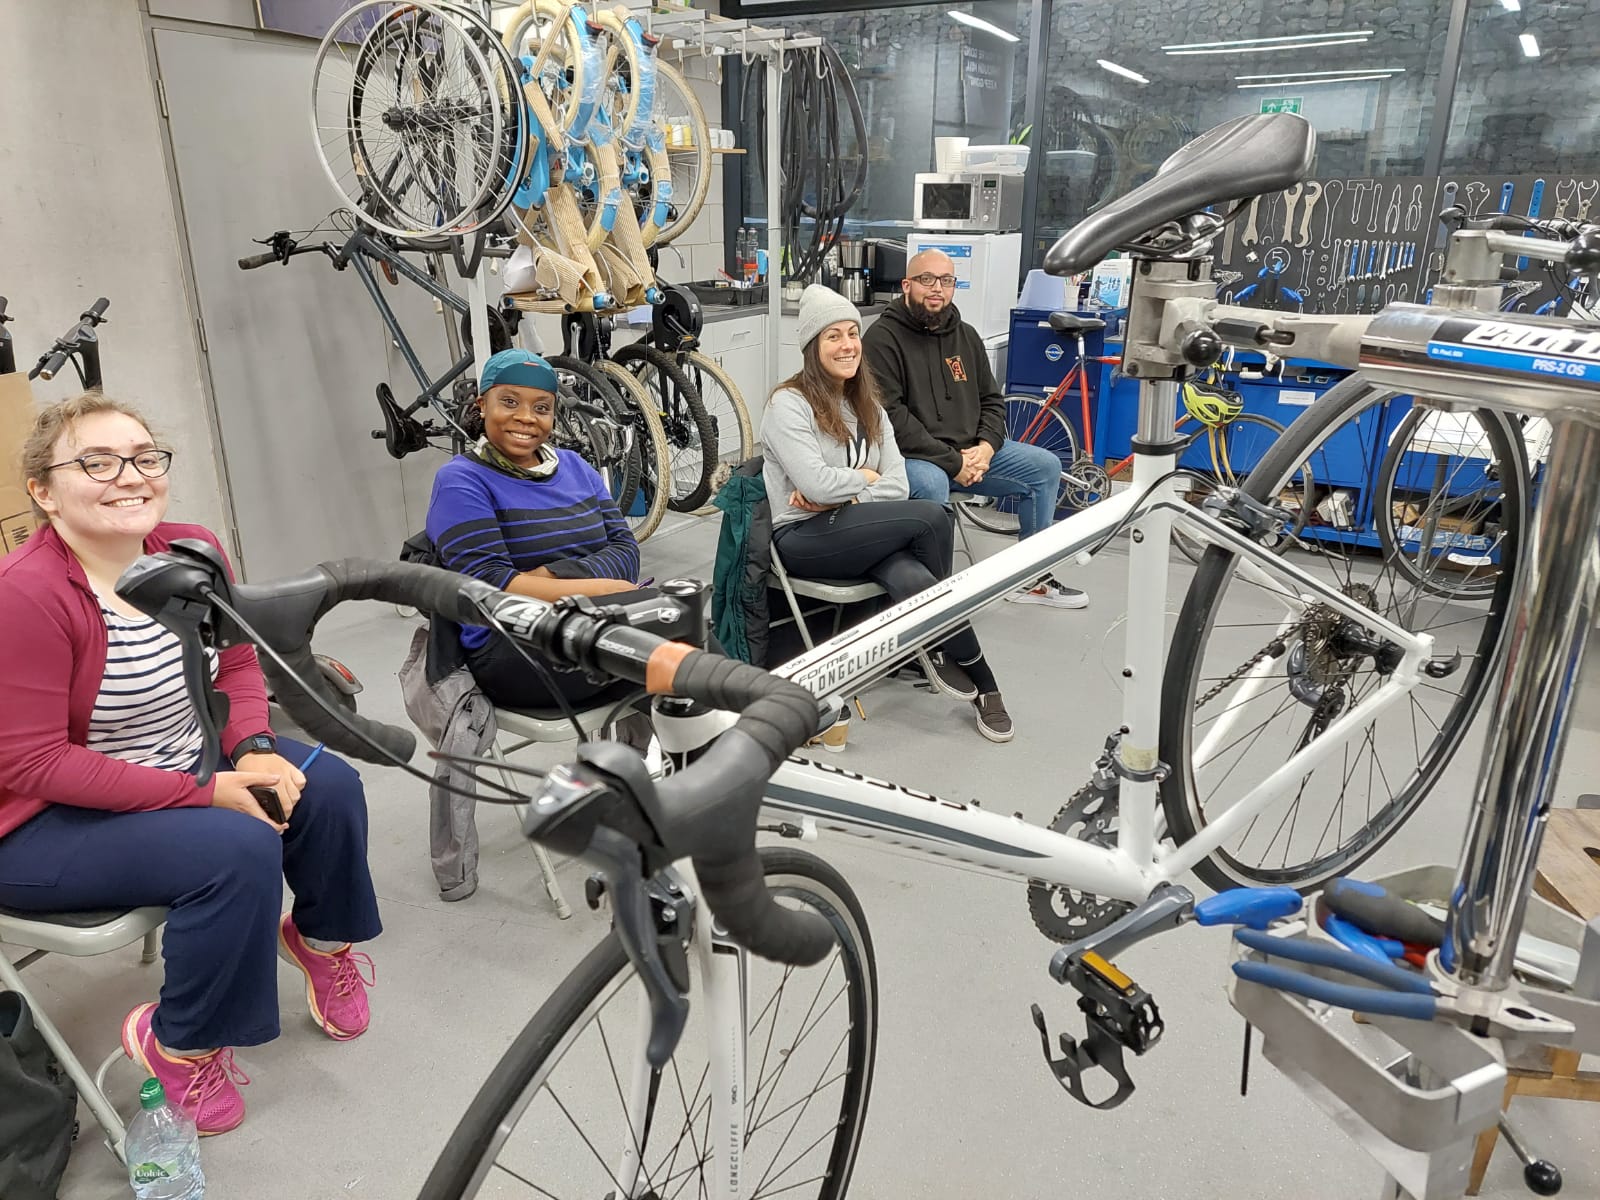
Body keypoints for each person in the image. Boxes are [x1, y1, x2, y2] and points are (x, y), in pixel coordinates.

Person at [0, 393, 381, 1137]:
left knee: (327, 788)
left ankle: (321, 942)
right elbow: (35, 764)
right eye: (96, 462)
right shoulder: (26, 595)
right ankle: (180, 1042)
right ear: (43, 491)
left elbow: (237, 661)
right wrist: (207, 792)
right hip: (43, 820)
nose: (130, 476)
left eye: (145, 457)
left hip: (182, 761)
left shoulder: (188, 550)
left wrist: (255, 751)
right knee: (236, 846)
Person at [763, 285, 1015, 743]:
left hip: (854, 527)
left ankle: (984, 685)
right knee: (932, 517)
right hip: (803, 537)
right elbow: (818, 485)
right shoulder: (789, 405)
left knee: (910, 575)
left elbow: (896, 482)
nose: (847, 345)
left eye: (852, 334)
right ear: (811, 347)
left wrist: (850, 494)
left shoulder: (869, 406)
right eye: (832, 336)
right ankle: (936, 642)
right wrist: (866, 479)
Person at [425, 349, 652, 717]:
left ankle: (704, 765)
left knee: (688, 637)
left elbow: (627, 551)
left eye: (542, 408)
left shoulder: (576, 467)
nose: (526, 418)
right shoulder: (461, 481)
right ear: (483, 405)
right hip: (511, 647)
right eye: (510, 402)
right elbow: (490, 589)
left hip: (594, 621)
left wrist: (546, 577)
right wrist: (604, 588)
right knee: (678, 659)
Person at [862, 248, 1089, 609]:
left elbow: (992, 400)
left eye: (946, 280)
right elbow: (892, 419)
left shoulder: (965, 336)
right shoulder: (881, 340)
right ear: (907, 285)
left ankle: (1029, 579)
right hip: (911, 458)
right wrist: (954, 462)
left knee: (1045, 466)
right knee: (933, 483)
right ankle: (930, 598)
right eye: (926, 280)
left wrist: (986, 446)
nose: (937, 288)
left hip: (970, 454)